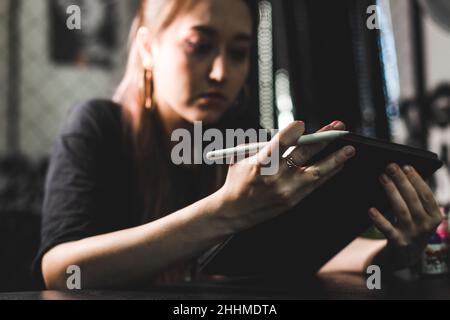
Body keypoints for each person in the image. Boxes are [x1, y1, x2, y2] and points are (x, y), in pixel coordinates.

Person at [35, 0, 443, 289]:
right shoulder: (99, 126)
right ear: (146, 48)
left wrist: (392, 252)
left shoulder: (248, 139)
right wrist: (224, 212)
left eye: (238, 53)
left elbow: (293, 256)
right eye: (200, 46)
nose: (220, 72)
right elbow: (61, 271)